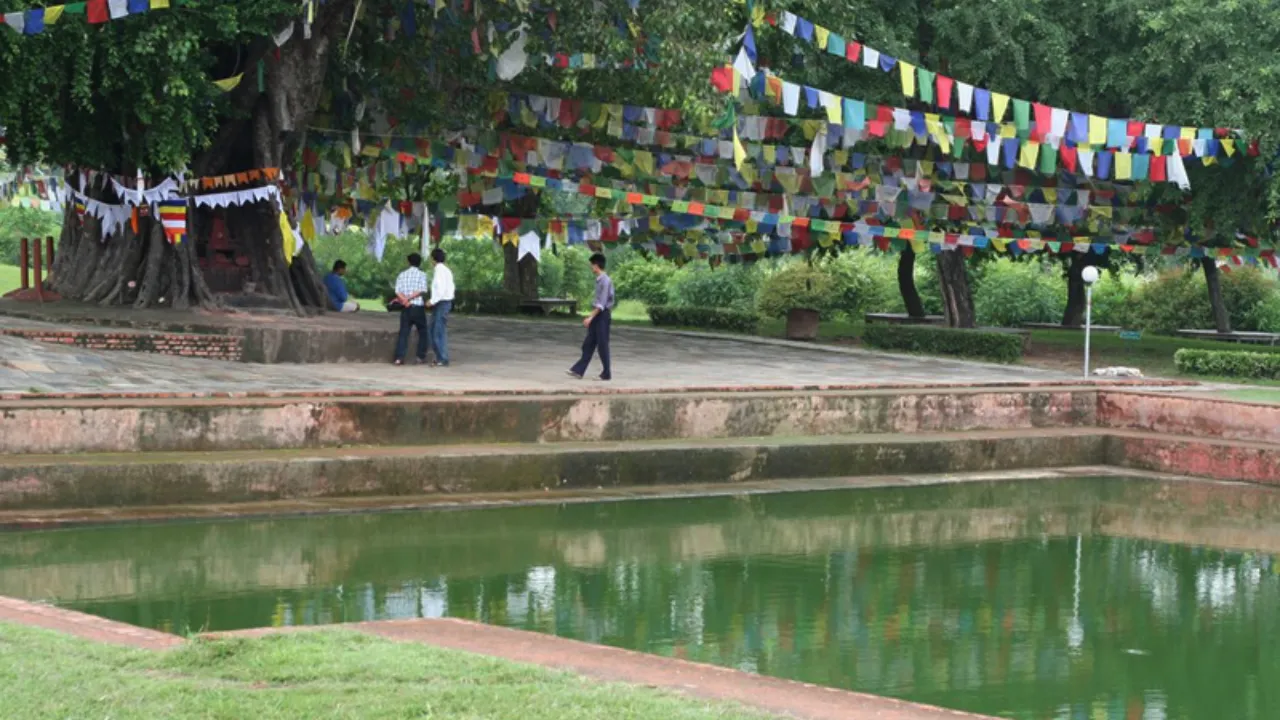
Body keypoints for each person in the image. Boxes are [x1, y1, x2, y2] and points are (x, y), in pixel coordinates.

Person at [567, 253, 615, 381]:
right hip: (598, 315)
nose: (591, 267)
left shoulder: (605, 281)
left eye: (592, 265)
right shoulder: (599, 280)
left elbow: (602, 304)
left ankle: (606, 373)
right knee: (588, 343)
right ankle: (578, 370)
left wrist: (590, 317)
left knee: (602, 345)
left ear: (596, 265)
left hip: (602, 315)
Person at [392, 253, 430, 366]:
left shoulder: (402, 275)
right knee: (423, 331)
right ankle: (420, 357)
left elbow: (397, 291)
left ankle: (399, 358)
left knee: (403, 332)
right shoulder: (422, 274)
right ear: (419, 263)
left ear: (408, 262)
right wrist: (409, 298)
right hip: (417, 307)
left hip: (406, 308)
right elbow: (422, 290)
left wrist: (404, 300)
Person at [427, 247, 455, 367]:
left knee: (437, 331)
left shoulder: (439, 270)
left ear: (433, 259)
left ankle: (442, 358)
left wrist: (432, 301)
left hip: (442, 302)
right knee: (433, 328)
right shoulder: (446, 270)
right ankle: (440, 356)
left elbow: (440, 288)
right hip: (444, 302)